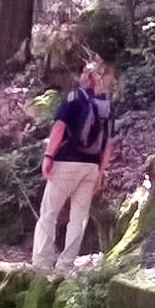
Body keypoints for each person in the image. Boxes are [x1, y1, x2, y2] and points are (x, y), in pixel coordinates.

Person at [32, 60, 114, 269]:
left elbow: (59, 128)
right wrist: (101, 172)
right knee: (79, 216)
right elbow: (108, 144)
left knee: (49, 212)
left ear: (84, 77)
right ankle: (66, 263)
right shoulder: (105, 105)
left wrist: (49, 156)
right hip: (91, 167)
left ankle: (42, 262)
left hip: (66, 162)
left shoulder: (74, 98)